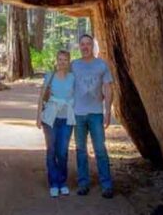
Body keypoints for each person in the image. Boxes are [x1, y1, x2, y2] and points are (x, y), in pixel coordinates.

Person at [71, 34, 114, 199]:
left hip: (96, 113)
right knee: (81, 150)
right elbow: (64, 83)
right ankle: (83, 183)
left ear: (92, 46)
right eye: (82, 44)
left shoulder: (101, 65)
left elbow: (108, 88)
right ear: (79, 46)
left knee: (100, 149)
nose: (85, 47)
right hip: (78, 114)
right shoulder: (73, 65)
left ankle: (107, 185)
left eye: (88, 44)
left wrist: (108, 111)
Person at [36, 50, 76, 198]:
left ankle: (62, 181)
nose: (62, 62)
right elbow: (42, 97)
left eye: (65, 60)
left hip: (66, 118)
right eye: (59, 59)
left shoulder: (73, 78)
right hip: (50, 119)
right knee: (51, 149)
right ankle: (53, 183)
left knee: (63, 151)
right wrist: (38, 117)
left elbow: (79, 94)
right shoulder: (49, 76)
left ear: (69, 62)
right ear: (56, 61)